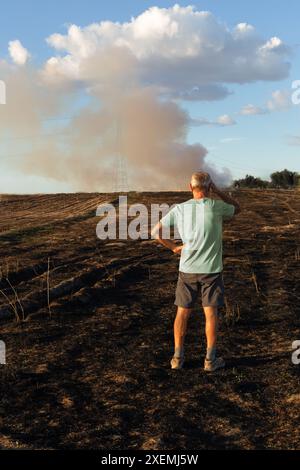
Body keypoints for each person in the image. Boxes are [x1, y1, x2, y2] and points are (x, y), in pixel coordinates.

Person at [152, 172, 241, 371]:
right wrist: (219, 192)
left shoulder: (180, 209)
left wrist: (173, 247)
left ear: (189, 187)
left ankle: (177, 358)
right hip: (211, 270)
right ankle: (210, 360)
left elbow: (154, 232)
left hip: (187, 270)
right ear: (209, 188)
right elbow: (238, 208)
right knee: (211, 314)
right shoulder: (216, 206)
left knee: (182, 313)